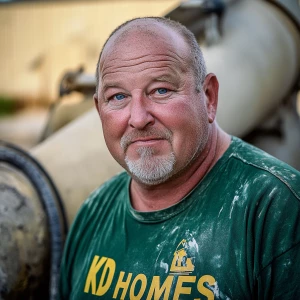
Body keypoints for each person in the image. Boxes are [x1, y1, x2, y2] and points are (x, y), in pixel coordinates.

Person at [58, 17, 300, 299]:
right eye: (118, 97)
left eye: (161, 90)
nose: (138, 118)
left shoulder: (278, 210)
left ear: (208, 97)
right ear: (99, 110)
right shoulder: (94, 212)